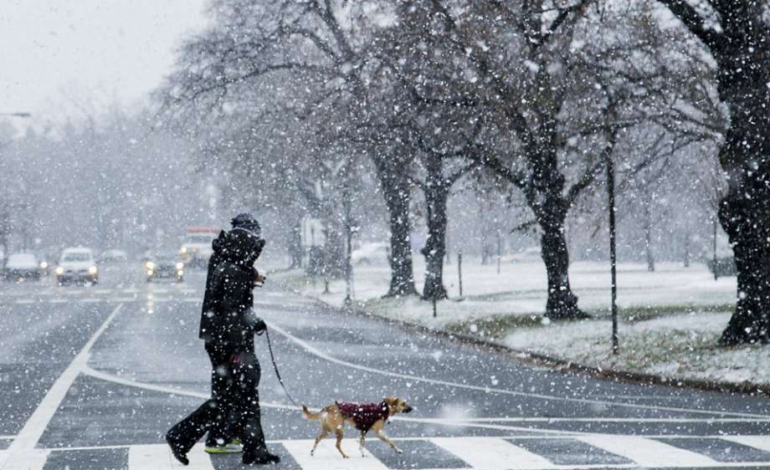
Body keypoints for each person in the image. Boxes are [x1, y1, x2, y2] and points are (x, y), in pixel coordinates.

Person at [166, 214, 280, 466]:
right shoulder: (235, 266)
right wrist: (238, 347)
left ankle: (253, 449)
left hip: (219, 338)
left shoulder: (226, 257)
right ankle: (181, 435)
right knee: (238, 397)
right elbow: (234, 310)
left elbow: (230, 300)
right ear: (249, 240)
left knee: (239, 396)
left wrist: (250, 281)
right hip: (232, 342)